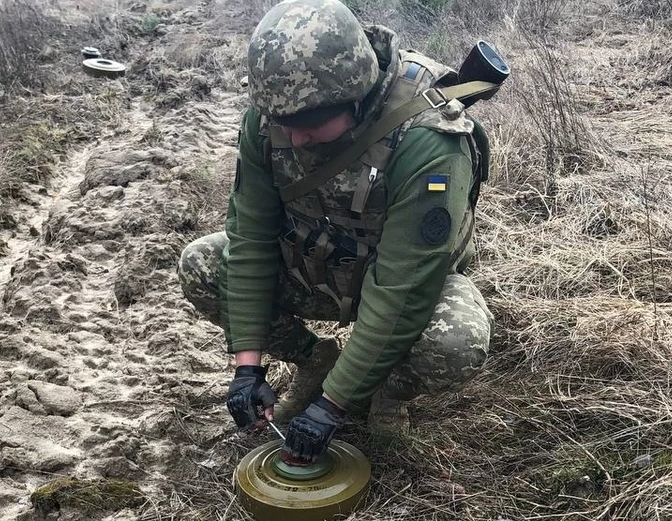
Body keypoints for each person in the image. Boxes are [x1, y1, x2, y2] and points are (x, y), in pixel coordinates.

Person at [178, 0, 496, 463]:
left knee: (457, 341)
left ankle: (389, 391)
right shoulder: (272, 117)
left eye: (310, 126)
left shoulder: (427, 139)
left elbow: (401, 288)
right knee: (203, 266)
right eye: (284, 125)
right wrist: (247, 366)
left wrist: (333, 405)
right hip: (315, 267)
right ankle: (315, 360)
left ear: (356, 96)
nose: (295, 138)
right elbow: (250, 239)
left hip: (397, 281)